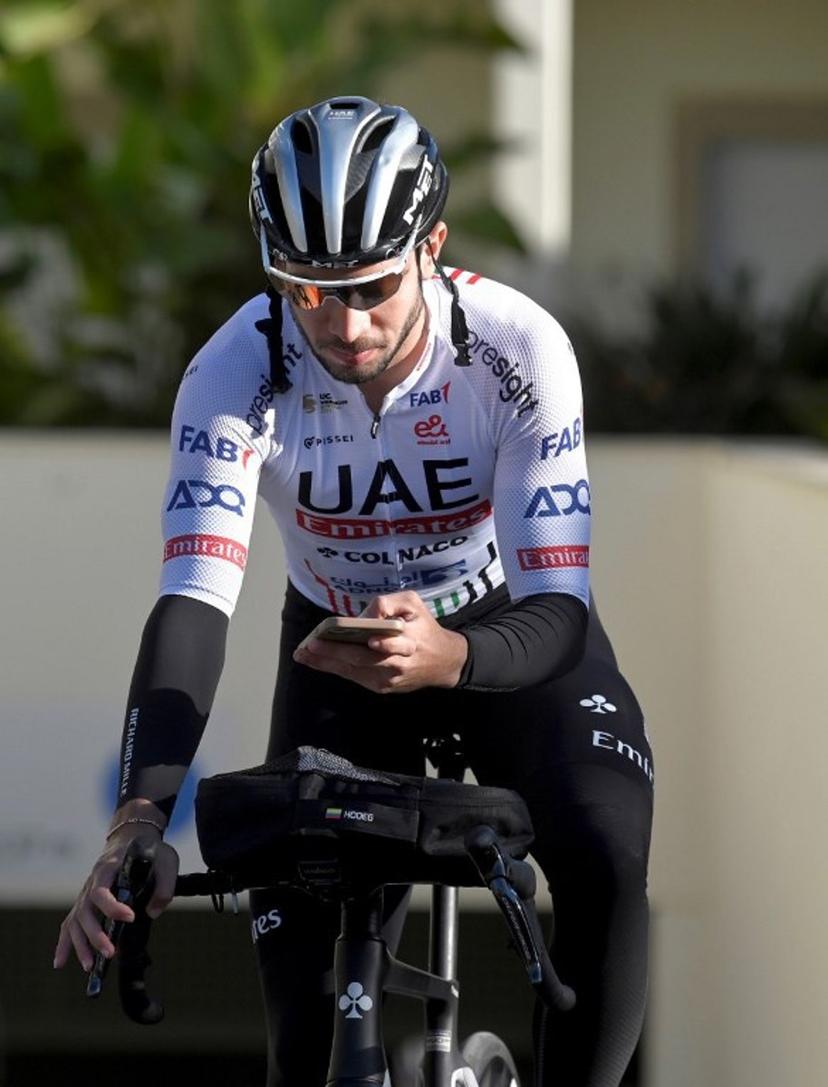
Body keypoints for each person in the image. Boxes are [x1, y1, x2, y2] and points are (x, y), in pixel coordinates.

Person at [54, 95, 654, 1087]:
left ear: (433, 247)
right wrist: (137, 820)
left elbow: (560, 607)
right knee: (299, 979)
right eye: (308, 293)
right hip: (339, 653)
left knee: (604, 855)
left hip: (506, 634)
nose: (346, 323)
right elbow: (194, 603)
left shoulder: (516, 351)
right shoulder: (235, 372)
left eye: (373, 286)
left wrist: (452, 654)